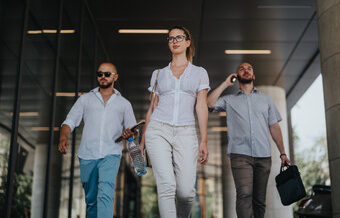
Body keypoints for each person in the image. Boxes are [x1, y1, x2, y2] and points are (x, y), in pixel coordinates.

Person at [139, 26, 210, 218]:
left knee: (186, 192)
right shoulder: (158, 74)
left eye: (179, 37)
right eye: (170, 38)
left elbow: (201, 106)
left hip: (186, 132)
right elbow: (152, 108)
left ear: (188, 42)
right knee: (166, 186)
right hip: (157, 130)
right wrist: (143, 140)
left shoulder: (199, 72)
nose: (174, 41)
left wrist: (203, 140)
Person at [207, 62, 291, 218]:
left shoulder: (266, 100)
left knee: (259, 201)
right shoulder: (229, 100)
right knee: (244, 193)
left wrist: (283, 153)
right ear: (237, 77)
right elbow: (209, 103)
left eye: (249, 69)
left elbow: (274, 127)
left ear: (253, 76)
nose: (246, 70)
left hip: (263, 156)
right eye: (241, 69)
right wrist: (226, 83)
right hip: (240, 155)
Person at [57, 62, 137, 218]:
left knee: (105, 193)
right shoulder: (85, 99)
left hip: (111, 153)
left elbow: (133, 129)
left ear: (115, 77)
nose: (103, 77)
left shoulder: (124, 104)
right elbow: (70, 120)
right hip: (87, 155)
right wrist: (62, 137)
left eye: (107, 74)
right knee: (92, 200)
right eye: (100, 74)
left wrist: (130, 133)